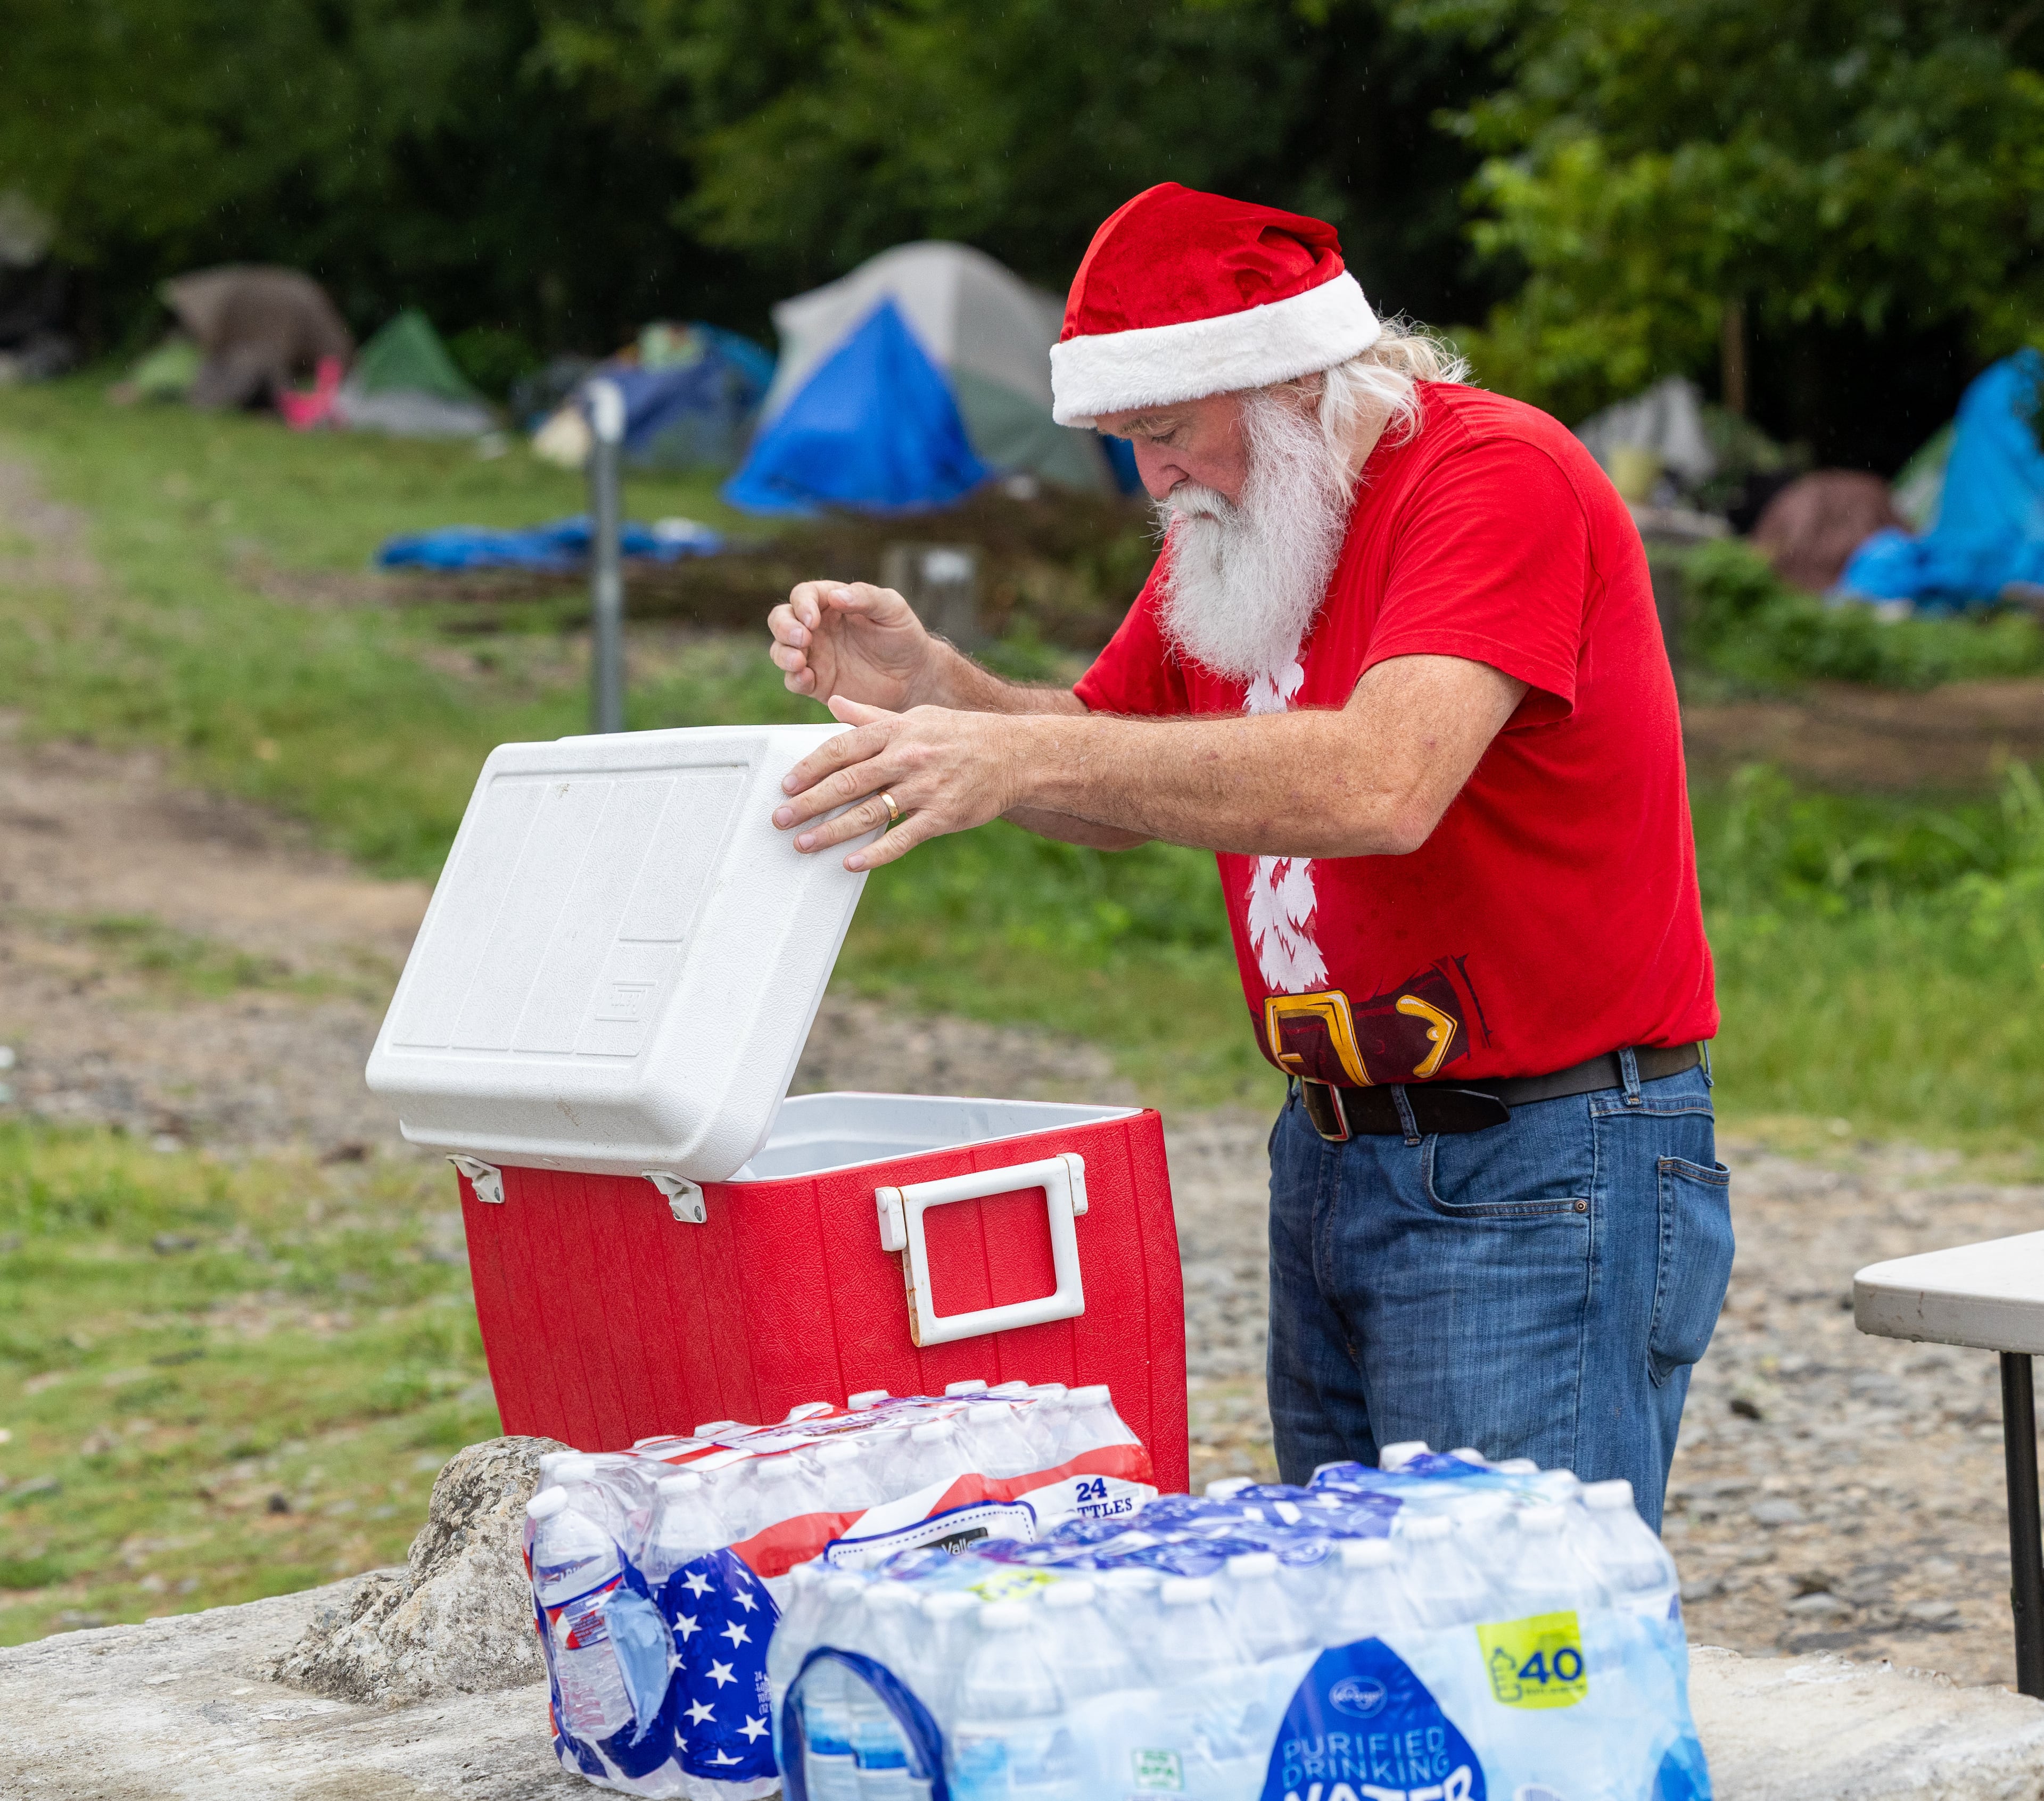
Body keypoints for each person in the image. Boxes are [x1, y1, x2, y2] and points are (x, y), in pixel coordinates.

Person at [764, 183, 1728, 1528]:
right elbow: (1109, 763)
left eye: (1164, 431)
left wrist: (1018, 759)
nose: (1151, 477)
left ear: (1288, 384)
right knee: (1363, 1630)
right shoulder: (1254, 512)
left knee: (1510, 1642)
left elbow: (1384, 780)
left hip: (1540, 1152)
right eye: (1129, 441)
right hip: (1335, 1144)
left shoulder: (1491, 477)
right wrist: (936, 689)